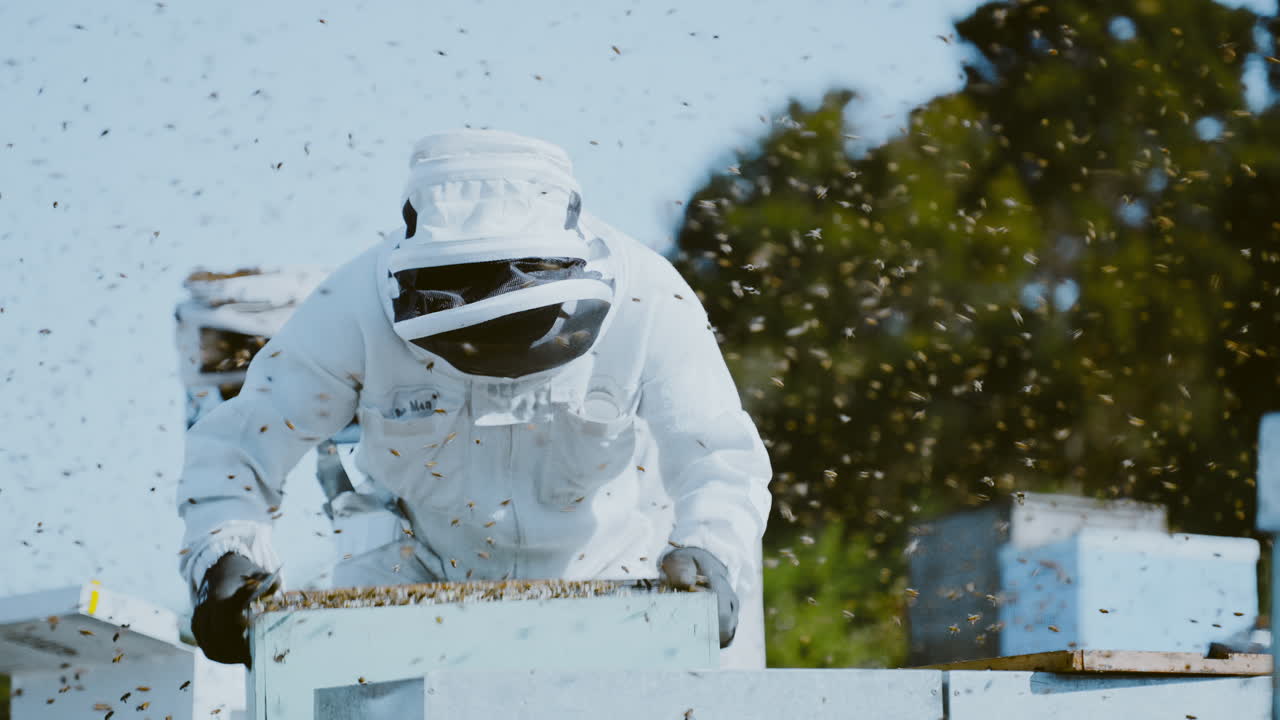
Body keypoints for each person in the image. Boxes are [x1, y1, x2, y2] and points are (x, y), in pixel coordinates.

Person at [178, 129, 773, 669]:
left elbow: (718, 454)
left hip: (611, 575)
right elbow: (240, 444)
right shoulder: (349, 305)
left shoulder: (650, 296)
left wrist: (712, 550)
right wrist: (223, 555)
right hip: (411, 580)